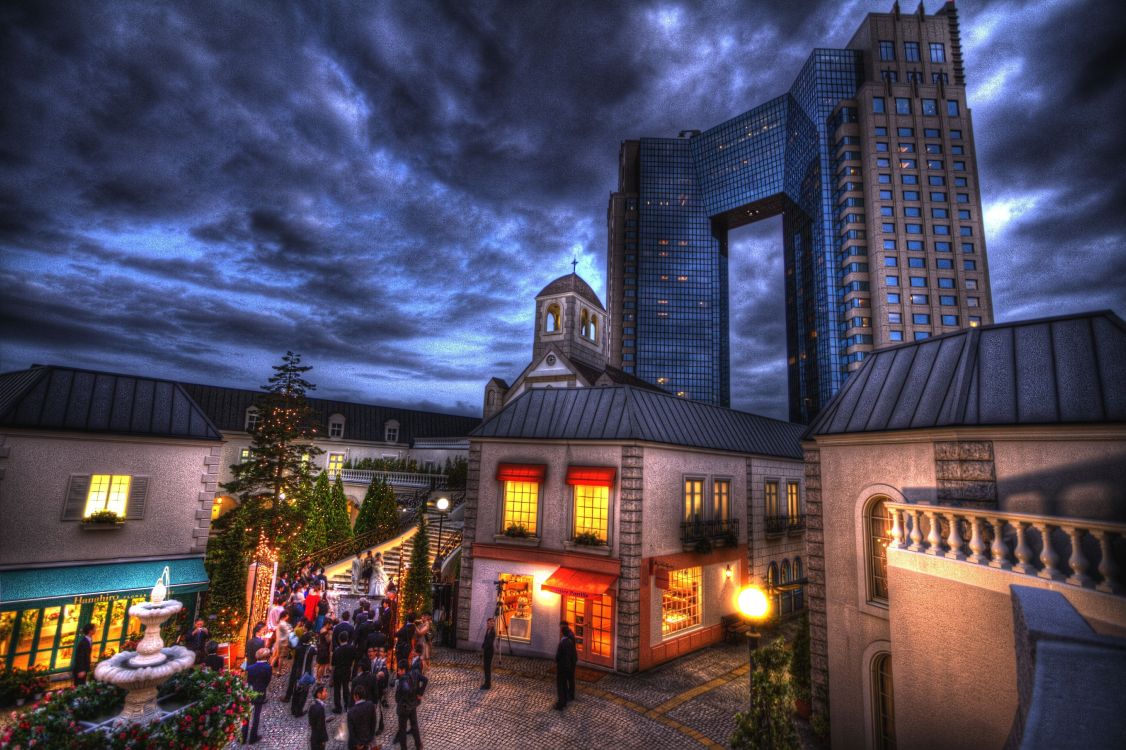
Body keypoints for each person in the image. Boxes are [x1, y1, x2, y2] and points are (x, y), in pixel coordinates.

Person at [393, 662, 425, 750]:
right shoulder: (415, 673)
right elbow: (425, 679)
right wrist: (419, 693)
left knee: (402, 729)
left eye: (399, 670)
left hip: (404, 707)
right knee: (414, 725)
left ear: (403, 670)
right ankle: (418, 745)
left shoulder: (403, 679)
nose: (398, 672)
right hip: (413, 705)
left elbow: (406, 690)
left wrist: (399, 699)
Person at [243, 647, 272, 744]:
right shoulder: (268, 667)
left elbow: (243, 668)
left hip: (249, 692)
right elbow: (268, 680)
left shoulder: (250, 667)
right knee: (256, 716)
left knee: (246, 714)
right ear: (267, 657)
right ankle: (252, 737)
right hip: (260, 692)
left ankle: (243, 736)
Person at [332, 630, 357, 714]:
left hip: (338, 671)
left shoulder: (336, 651)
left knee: (337, 690)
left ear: (339, 640)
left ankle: (338, 707)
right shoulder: (352, 649)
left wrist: (331, 676)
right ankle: (347, 705)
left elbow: (333, 664)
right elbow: (354, 660)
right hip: (347, 670)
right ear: (347, 639)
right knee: (346, 688)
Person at [347, 684, 379, 750]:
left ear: (356, 696)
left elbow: (351, 731)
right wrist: (370, 738)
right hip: (367, 739)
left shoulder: (351, 712)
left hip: (357, 744)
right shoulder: (371, 705)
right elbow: (373, 723)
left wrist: (357, 744)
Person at [554, 622, 577, 710]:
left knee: (562, 683)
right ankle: (569, 696)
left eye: (560, 628)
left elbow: (562, 654)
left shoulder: (565, 641)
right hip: (569, 663)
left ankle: (563, 701)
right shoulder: (570, 636)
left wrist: (557, 660)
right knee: (568, 680)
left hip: (564, 665)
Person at [308, 683, 329, 750]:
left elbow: (311, 722)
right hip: (318, 741)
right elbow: (320, 726)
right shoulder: (320, 708)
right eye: (324, 691)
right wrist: (322, 740)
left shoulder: (312, 706)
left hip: (314, 738)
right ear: (319, 694)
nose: (326, 693)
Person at [481, 617, 496, 689]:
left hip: (489, 651)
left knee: (488, 668)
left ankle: (488, 684)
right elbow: (485, 639)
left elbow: (490, 642)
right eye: (487, 623)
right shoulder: (488, 630)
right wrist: (483, 646)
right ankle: (486, 682)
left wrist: (485, 648)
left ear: (492, 624)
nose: (488, 624)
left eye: (489, 623)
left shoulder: (493, 632)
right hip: (486, 651)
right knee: (485, 667)